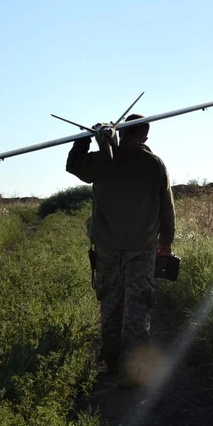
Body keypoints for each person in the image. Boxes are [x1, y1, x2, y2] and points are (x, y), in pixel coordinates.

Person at [65, 114, 176, 385]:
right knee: (137, 306)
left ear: (122, 133)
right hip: (142, 247)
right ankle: (132, 371)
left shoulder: (103, 160)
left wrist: (84, 139)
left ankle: (112, 363)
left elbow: (74, 166)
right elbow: (166, 207)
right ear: (145, 137)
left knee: (112, 303)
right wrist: (166, 241)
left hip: (107, 247)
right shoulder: (155, 164)